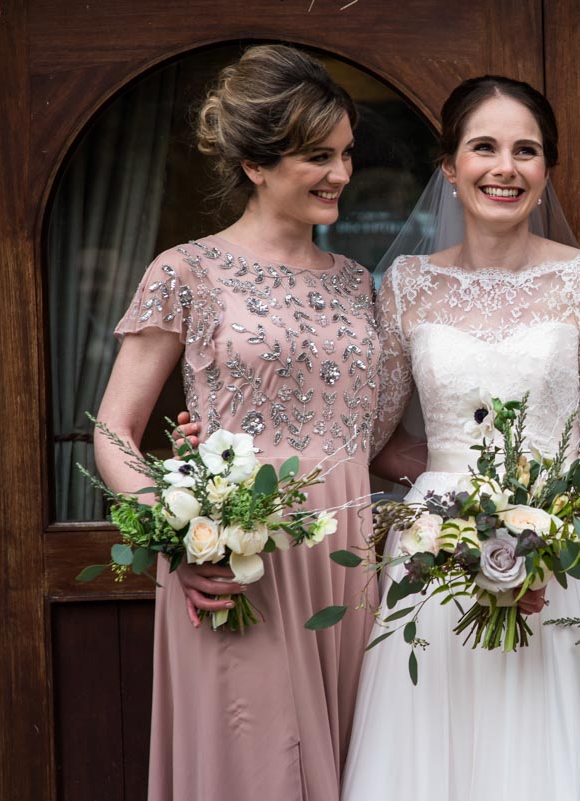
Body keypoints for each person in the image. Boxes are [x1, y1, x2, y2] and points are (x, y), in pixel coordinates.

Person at [340, 75, 580, 801]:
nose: (506, 166)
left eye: (526, 150)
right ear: (449, 167)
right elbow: (373, 435)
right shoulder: (405, 284)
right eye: (485, 147)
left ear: (546, 169)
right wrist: (447, 502)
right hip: (437, 557)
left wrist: (537, 531)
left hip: (560, 551)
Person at [95, 45, 376, 800]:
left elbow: (379, 438)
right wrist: (181, 537)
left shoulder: (360, 285)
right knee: (253, 765)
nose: (341, 174)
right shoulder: (185, 272)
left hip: (348, 562)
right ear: (255, 163)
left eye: (347, 153)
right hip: (239, 560)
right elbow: (114, 428)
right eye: (318, 156)